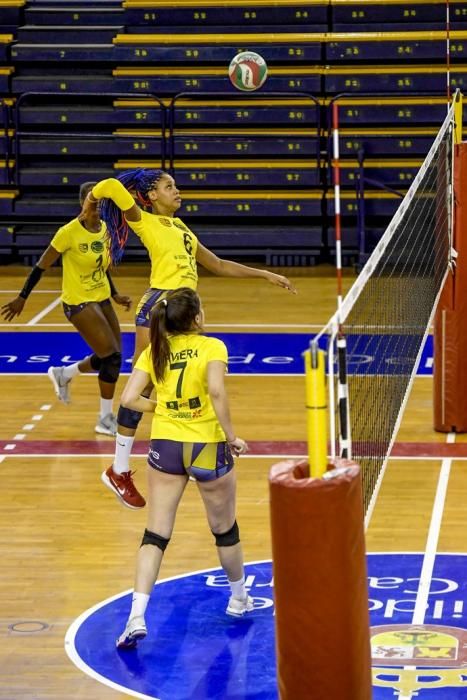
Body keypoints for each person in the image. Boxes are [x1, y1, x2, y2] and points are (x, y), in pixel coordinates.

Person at [85, 168, 296, 508]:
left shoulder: (180, 228)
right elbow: (108, 184)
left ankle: (174, 447)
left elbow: (217, 264)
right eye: (169, 186)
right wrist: (90, 205)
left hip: (182, 309)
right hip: (159, 306)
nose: (177, 190)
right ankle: (119, 469)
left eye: (176, 186)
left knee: (178, 379)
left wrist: (265, 274)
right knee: (142, 389)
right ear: (152, 196)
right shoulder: (143, 220)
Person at [115, 287, 252, 649]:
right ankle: (238, 598)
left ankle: (136, 617)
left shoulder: (153, 351)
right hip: (206, 446)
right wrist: (232, 437)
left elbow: (128, 399)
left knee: (155, 535)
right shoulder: (212, 347)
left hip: (166, 447)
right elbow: (217, 393)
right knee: (225, 530)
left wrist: (161, 407)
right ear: (196, 318)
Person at [0, 182, 132, 436]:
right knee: (112, 357)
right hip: (78, 301)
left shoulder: (104, 228)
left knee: (111, 357)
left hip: (101, 297)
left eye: (100, 202)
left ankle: (64, 373)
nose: (97, 207)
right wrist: (22, 297)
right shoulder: (68, 232)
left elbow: (101, 268)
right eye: (92, 202)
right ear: (82, 203)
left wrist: (115, 294)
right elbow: (41, 266)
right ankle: (104, 418)